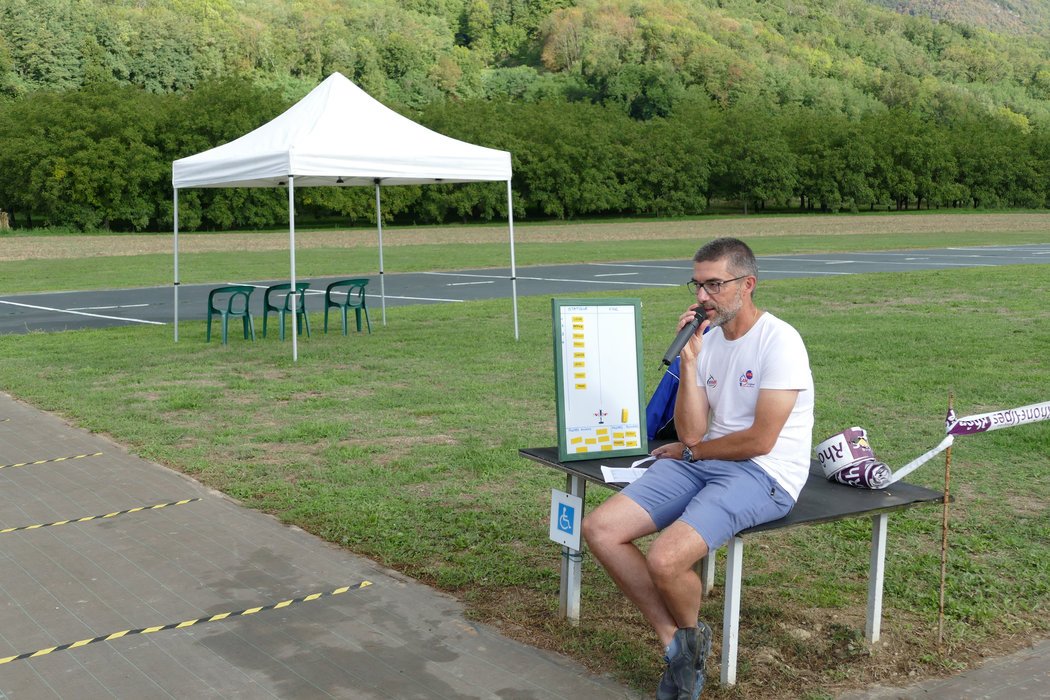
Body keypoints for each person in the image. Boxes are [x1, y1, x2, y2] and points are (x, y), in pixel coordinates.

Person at [582, 237, 814, 700]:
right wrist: (689, 362)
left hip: (764, 473)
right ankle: (679, 643)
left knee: (665, 560)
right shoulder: (706, 342)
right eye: (697, 285)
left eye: (714, 285)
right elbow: (690, 433)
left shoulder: (780, 341)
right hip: (703, 459)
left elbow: (760, 441)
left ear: (747, 284)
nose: (703, 297)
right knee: (601, 529)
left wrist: (694, 453)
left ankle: (684, 648)